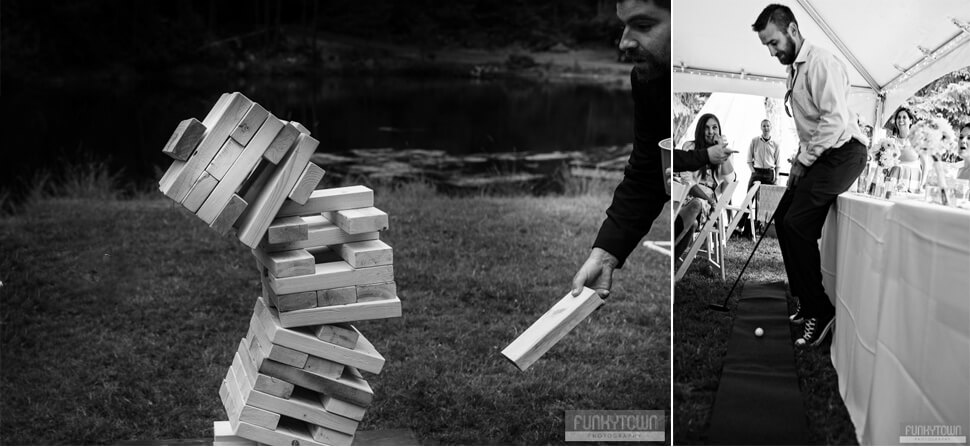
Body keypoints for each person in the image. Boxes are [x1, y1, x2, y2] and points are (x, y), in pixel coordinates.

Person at [753, 4, 868, 347]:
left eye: (774, 43)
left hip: (845, 153)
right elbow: (812, 127)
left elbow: (833, 121)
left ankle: (822, 310)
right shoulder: (793, 69)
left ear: (792, 30)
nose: (773, 52)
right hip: (821, 154)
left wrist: (804, 161)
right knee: (784, 218)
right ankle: (805, 300)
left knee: (799, 224)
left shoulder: (821, 63)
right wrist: (801, 159)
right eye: (767, 47)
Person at [570, 0, 670, 299]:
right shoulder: (646, 80)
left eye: (642, 26)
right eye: (623, 26)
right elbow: (647, 172)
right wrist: (606, 254)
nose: (623, 42)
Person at [673, 114, 736, 260]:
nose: (711, 131)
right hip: (689, 195)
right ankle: (673, 260)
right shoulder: (690, 147)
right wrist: (706, 198)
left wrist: (721, 148)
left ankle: (670, 256)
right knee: (693, 223)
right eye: (706, 128)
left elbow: (730, 179)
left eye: (714, 127)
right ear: (700, 130)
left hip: (707, 204)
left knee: (696, 205)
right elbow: (687, 180)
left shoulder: (724, 152)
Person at [740, 119, 780, 237]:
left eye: (768, 126)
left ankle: (764, 227)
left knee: (769, 201)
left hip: (769, 173)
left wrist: (776, 177)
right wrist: (754, 172)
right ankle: (741, 226)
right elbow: (748, 159)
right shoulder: (754, 141)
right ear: (760, 127)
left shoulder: (775, 144)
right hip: (756, 172)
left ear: (770, 127)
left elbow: (778, 163)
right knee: (749, 198)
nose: (766, 128)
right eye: (764, 126)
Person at [888, 107, 922, 192]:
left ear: (910, 121)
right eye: (898, 117)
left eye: (904, 117)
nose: (901, 120)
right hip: (893, 182)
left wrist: (923, 185)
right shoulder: (890, 141)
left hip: (912, 183)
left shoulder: (917, 139)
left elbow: (925, 164)